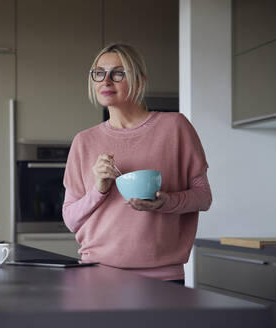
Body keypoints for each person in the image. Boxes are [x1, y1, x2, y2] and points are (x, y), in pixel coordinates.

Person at [62, 43, 212, 284]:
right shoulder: (84, 141)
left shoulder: (175, 127)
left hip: (163, 278)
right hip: (96, 275)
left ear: (140, 81)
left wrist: (166, 202)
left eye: (118, 73)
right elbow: (70, 220)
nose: (106, 81)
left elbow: (204, 197)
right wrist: (98, 190)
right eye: (99, 73)